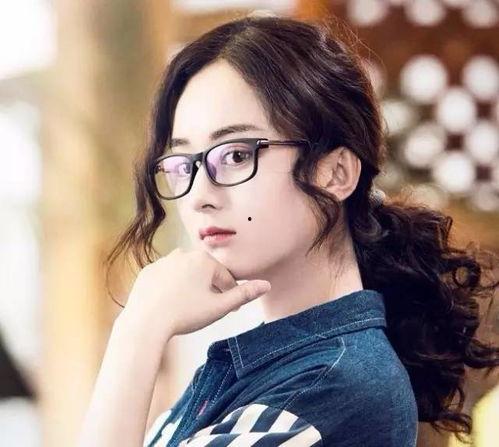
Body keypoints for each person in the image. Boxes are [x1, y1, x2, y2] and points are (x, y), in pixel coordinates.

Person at [78, 14, 499, 447]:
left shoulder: (327, 388)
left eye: (236, 155)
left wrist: (138, 331)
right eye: (185, 164)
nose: (199, 196)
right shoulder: (276, 370)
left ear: (336, 173)